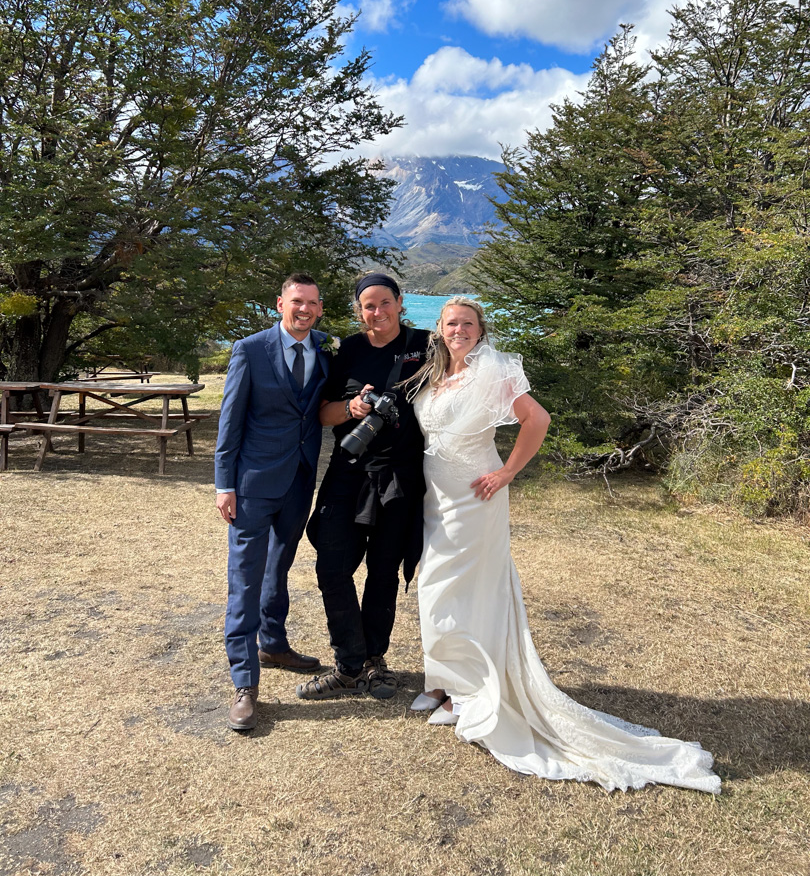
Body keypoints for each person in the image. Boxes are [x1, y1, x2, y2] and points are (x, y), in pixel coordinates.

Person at [407, 296, 721, 794]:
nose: (458, 330)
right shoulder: (435, 373)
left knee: (446, 588)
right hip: (435, 498)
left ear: (480, 329)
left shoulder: (495, 373)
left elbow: (538, 420)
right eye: (451, 324)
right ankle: (453, 687)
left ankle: (470, 694)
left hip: (474, 496)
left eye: (467, 323)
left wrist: (507, 472)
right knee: (448, 590)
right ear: (439, 330)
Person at [296, 273, 430, 700]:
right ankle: (349, 663)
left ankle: (374, 660)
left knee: (383, 572)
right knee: (332, 568)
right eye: (368, 305)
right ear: (359, 310)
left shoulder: (426, 345)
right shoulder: (347, 350)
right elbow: (322, 413)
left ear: (399, 302)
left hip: (399, 476)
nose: (378, 312)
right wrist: (352, 408)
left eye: (385, 302)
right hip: (348, 472)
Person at [215, 273, 330, 731]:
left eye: (312, 303)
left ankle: (274, 643)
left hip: (301, 481)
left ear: (320, 308)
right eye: (296, 301)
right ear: (279, 302)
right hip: (254, 483)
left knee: (279, 567)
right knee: (244, 579)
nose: (304, 309)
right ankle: (245, 683)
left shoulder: (325, 347)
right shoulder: (249, 349)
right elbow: (230, 421)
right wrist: (224, 484)